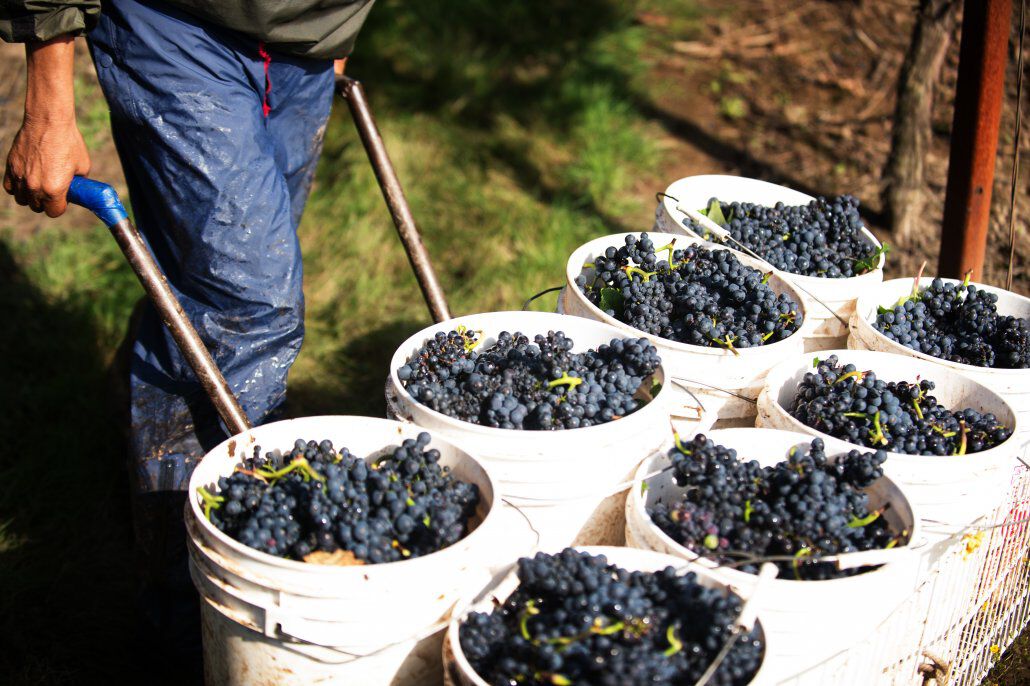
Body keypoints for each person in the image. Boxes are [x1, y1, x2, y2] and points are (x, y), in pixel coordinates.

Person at [1, 0, 375, 677]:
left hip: (303, 44)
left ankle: (139, 422)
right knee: (250, 309)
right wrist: (49, 94)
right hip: (174, 22)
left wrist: (334, 28)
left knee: (208, 281)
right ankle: (191, 615)